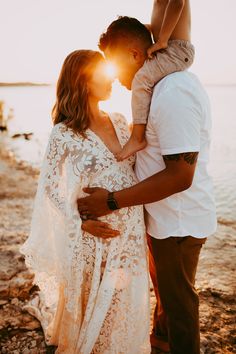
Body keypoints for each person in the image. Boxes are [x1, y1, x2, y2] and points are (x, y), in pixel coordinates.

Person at [77, 16, 217, 354]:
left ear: (136, 55)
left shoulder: (174, 92)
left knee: (179, 306)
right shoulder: (155, 90)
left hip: (179, 223)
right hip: (163, 220)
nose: (116, 76)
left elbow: (180, 175)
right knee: (166, 302)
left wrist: (110, 201)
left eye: (114, 64)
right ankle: (161, 346)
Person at [20, 50, 151, 354]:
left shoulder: (119, 121)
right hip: (94, 234)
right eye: (102, 74)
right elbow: (50, 189)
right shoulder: (63, 134)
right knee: (94, 294)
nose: (112, 81)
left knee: (126, 293)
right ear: (82, 80)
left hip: (129, 225)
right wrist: (81, 223)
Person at [116, 0, 195, 161]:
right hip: (170, 49)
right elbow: (159, 23)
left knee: (141, 79)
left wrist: (162, 40)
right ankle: (142, 124)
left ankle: (137, 138)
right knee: (145, 78)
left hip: (176, 50)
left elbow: (177, 3)